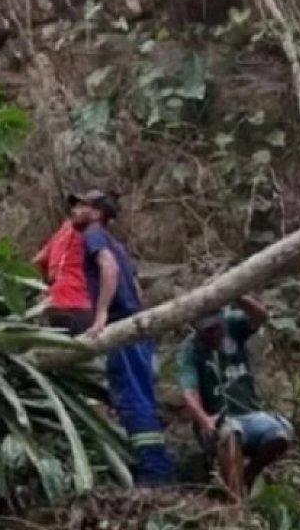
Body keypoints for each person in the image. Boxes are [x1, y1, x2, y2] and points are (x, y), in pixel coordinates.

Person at [68, 189, 176, 487]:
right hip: (136, 329)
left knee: (132, 400)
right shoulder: (118, 245)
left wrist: (101, 314)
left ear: (98, 213)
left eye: (82, 205)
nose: (75, 210)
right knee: (142, 397)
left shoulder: (94, 236)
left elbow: (109, 268)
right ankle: (159, 468)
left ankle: (154, 476)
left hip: (122, 330)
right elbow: (137, 289)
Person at [175, 296, 292, 500]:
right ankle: (235, 499)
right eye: (207, 331)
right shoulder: (191, 350)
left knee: (280, 434)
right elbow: (189, 393)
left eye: (216, 328)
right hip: (221, 420)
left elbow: (261, 316)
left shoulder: (232, 324)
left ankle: (250, 473)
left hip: (249, 415)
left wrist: (237, 296)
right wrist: (205, 420)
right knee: (231, 433)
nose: (214, 334)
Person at [31, 217, 92, 335]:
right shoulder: (89, 231)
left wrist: (45, 287)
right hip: (80, 303)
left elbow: (38, 261)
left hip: (55, 302)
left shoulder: (60, 234)